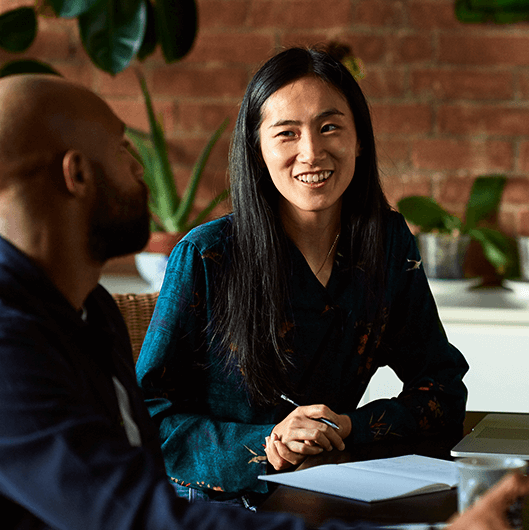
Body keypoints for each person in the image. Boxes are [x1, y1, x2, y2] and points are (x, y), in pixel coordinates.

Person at [0, 73, 526, 530]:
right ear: (77, 174)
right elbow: (139, 514)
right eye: (122, 147)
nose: (141, 168)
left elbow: (133, 482)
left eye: (332, 127)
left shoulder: (84, 310)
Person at [136, 45, 471, 505]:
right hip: (215, 505)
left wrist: (348, 426)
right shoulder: (207, 254)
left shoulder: (385, 241)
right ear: (257, 149)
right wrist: (267, 441)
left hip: (331, 492)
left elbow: (442, 387)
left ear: (359, 140)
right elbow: (146, 418)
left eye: (329, 127)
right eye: (286, 134)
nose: (311, 152)